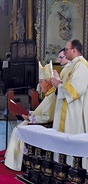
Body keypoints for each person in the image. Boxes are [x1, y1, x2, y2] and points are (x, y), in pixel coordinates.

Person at [4, 61, 57, 171]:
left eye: (40, 82)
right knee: (17, 129)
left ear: (47, 83)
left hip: (43, 125)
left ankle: (17, 161)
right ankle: (14, 160)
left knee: (18, 130)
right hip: (37, 122)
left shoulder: (52, 97)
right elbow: (41, 112)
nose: (39, 85)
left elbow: (47, 117)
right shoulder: (49, 95)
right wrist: (30, 114)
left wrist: (31, 118)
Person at [50, 39, 88, 169]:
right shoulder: (72, 65)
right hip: (66, 108)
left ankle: (74, 169)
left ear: (74, 50)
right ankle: (62, 166)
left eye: (66, 49)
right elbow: (66, 85)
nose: (64, 52)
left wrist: (59, 84)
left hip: (74, 111)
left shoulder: (82, 65)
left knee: (72, 139)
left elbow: (76, 90)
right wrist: (57, 81)